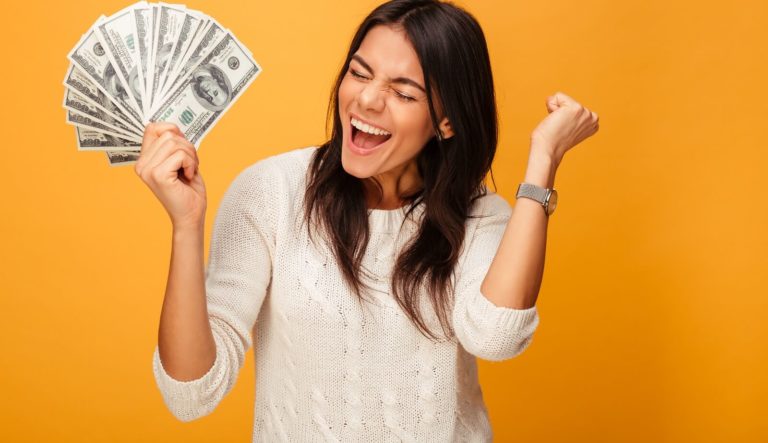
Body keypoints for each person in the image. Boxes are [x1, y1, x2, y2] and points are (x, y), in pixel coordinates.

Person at [134, 0, 599, 441]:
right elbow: (190, 393)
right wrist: (187, 225)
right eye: (359, 73)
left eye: (403, 92)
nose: (369, 100)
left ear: (447, 121)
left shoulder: (480, 218)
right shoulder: (271, 192)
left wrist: (544, 159)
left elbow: (497, 336)